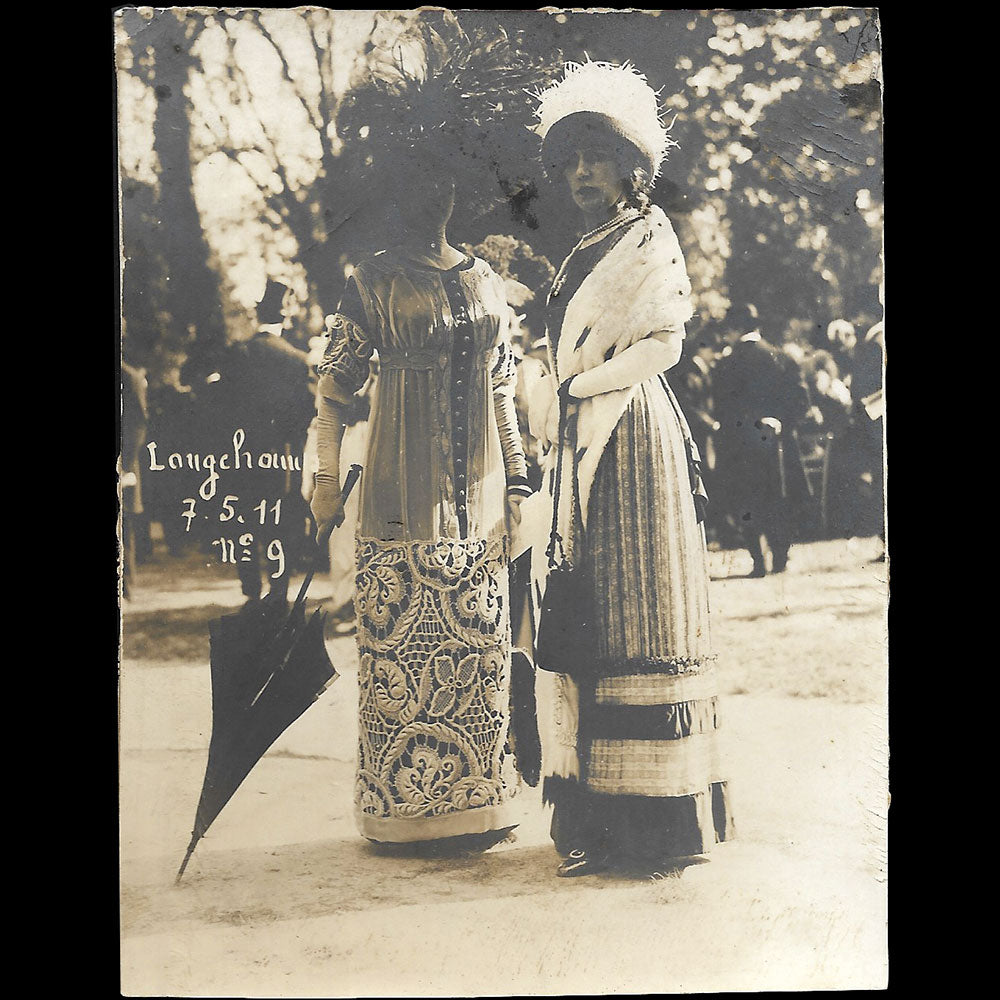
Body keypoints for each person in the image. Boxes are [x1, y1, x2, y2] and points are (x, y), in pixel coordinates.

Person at [309, 21, 541, 849]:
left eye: (445, 183)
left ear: (460, 188)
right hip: (397, 513)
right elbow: (332, 393)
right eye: (419, 182)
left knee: (479, 658)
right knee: (402, 667)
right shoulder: (367, 282)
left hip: (479, 513)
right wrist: (326, 482)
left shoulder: (484, 281)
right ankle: (403, 819)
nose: (432, 198)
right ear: (399, 187)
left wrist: (518, 480)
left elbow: (505, 385)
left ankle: (482, 808)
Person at [526, 59, 733, 876]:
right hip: (585, 434)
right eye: (572, 158)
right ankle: (595, 817)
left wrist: (579, 384)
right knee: (592, 608)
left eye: (598, 156)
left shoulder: (650, 235)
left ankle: (651, 826)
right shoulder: (584, 246)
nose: (583, 171)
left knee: (639, 606)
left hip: (633, 434)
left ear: (632, 167)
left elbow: (666, 343)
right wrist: (559, 396)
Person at [711, 304, 813, 576]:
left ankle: (758, 561)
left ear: (733, 329)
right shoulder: (782, 357)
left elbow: (722, 409)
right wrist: (780, 422)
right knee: (780, 499)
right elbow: (801, 401)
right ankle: (781, 557)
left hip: (741, 446)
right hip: (779, 443)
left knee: (747, 503)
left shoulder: (725, 365)